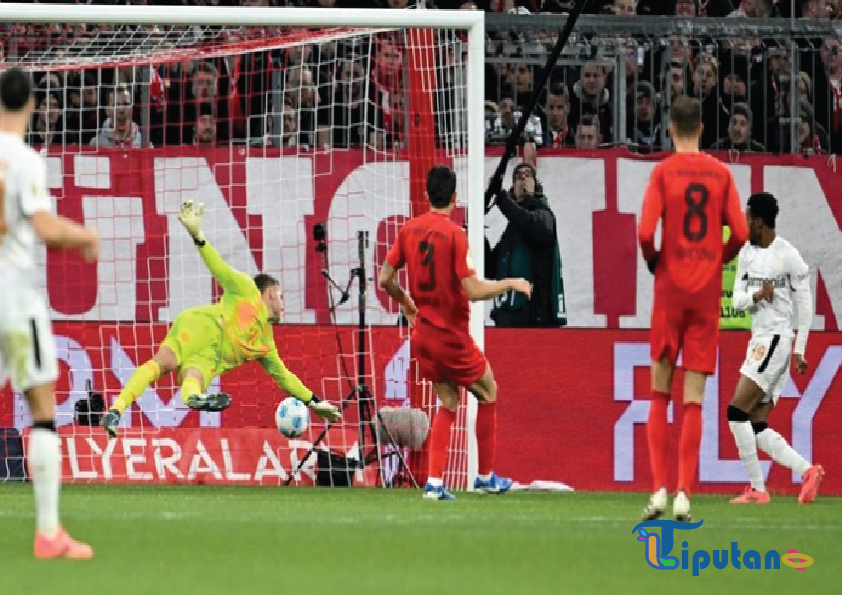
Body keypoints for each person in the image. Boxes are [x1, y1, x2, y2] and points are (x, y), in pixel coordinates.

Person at [100, 200, 341, 437]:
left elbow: (285, 377)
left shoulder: (266, 345)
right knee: (165, 363)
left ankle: (194, 399)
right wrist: (198, 236)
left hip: (211, 359)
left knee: (193, 380)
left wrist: (313, 402)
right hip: (202, 326)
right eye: (281, 296)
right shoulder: (247, 290)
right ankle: (116, 410)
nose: (283, 304)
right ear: (269, 294)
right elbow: (219, 268)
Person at [378, 165, 531, 500]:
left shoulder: (408, 229)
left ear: (425, 195)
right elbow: (472, 290)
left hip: (422, 337)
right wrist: (509, 283)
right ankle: (486, 476)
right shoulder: (455, 235)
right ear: (455, 198)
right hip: (450, 336)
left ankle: (434, 483)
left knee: (448, 401)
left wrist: (405, 301)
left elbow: (384, 277)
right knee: (489, 390)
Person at [0, 68, 99, 559]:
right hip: (15, 299)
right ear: (32, 105)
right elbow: (43, 226)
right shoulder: (23, 159)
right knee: (41, 412)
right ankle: (47, 533)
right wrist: (84, 238)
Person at [637, 95, 749, 522]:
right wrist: (718, 257)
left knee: (658, 392)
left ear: (670, 129)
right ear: (702, 128)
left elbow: (646, 231)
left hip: (669, 290)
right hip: (705, 293)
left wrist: (655, 261)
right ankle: (685, 492)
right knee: (694, 400)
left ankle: (659, 491)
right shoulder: (720, 174)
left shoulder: (663, 173)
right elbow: (739, 231)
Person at [726, 192, 824, 504]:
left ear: (759, 222)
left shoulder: (787, 255)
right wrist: (757, 295)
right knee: (756, 424)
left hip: (775, 341)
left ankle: (757, 489)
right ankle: (808, 471)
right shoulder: (746, 254)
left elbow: (805, 302)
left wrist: (801, 348)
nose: (744, 224)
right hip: (759, 341)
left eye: (747, 219)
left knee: (735, 412)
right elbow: (736, 299)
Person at [487, 163, 566, 328]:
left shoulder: (545, 217)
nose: (522, 178)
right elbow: (490, 269)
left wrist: (501, 198)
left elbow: (528, 224)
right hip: (507, 319)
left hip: (535, 320)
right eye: (517, 177)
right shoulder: (510, 231)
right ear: (513, 189)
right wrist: (477, 233)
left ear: (536, 185)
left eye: (527, 175)